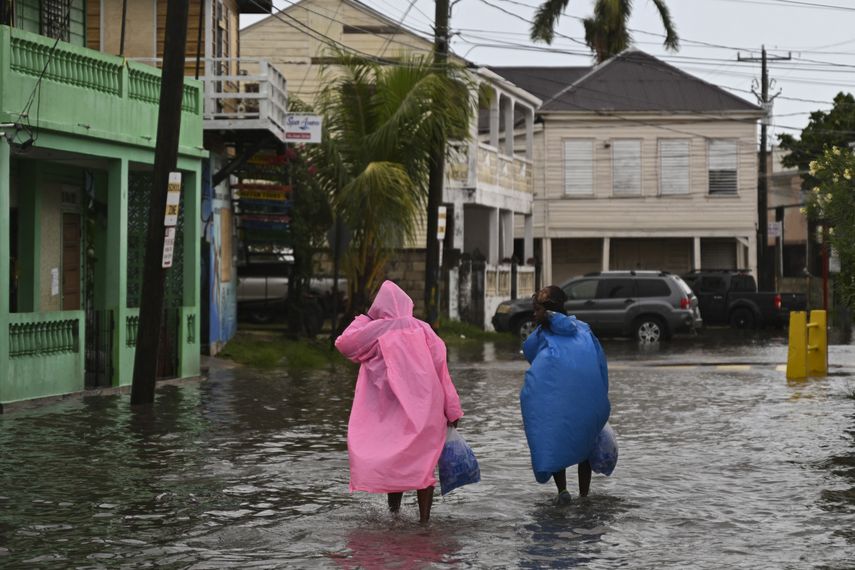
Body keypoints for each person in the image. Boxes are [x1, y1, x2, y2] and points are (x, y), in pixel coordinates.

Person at [335, 280, 463, 523]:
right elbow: (441, 371)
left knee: (395, 460)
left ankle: (394, 514)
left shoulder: (374, 331)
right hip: (427, 410)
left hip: (388, 412)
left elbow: (344, 343)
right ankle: (424, 522)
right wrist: (452, 410)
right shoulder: (424, 329)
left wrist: (365, 319)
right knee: (424, 465)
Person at [520, 285, 610, 504]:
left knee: (554, 438)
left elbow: (529, 352)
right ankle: (584, 496)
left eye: (537, 310)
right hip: (588, 402)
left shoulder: (543, 335)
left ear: (548, 312)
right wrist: (602, 397)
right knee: (585, 445)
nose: (534, 314)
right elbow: (601, 364)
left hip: (557, 403)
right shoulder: (584, 330)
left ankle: (562, 491)